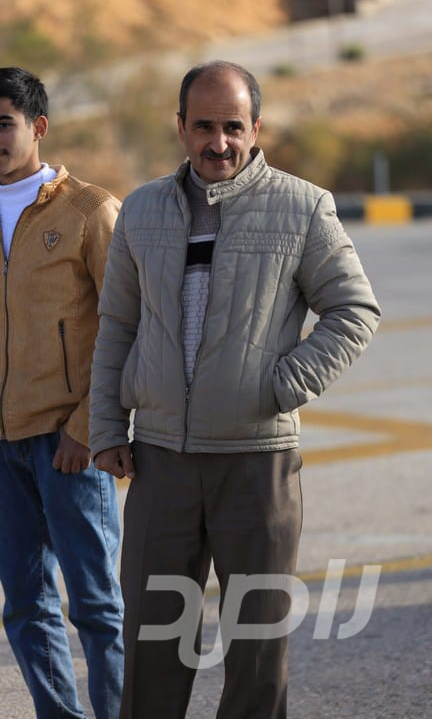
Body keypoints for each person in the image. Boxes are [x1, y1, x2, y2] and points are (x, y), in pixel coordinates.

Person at [90, 60, 381, 719]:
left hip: (257, 465)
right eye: (203, 127)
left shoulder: (302, 207)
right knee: (153, 647)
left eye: (232, 127)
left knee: (255, 656)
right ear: (181, 127)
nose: (217, 142)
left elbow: (355, 311)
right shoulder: (141, 211)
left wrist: (279, 386)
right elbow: (117, 326)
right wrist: (106, 428)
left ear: (256, 128)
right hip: (161, 462)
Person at [0, 67, 124, 719]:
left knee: (97, 606)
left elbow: (129, 325)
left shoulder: (88, 211)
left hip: (68, 443)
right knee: (25, 605)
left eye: (4, 124)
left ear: (38, 126)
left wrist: (87, 425)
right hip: (2, 446)